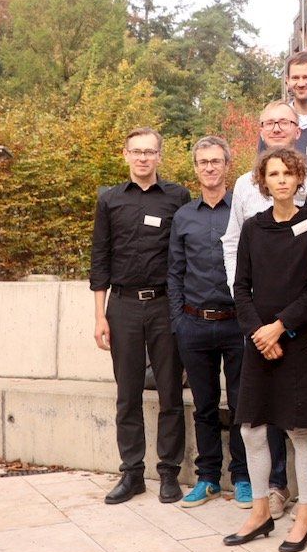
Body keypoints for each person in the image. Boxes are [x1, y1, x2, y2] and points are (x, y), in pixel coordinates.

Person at [223, 100, 307, 519]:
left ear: (299, 177)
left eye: (287, 173)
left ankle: (304, 512)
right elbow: (241, 287)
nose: (281, 180)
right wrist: (259, 333)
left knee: (299, 431)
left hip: (296, 342)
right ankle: (261, 510)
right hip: (258, 343)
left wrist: (279, 328)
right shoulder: (253, 227)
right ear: (262, 182)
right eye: (273, 174)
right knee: (251, 429)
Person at [90, 127, 190, 505]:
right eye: (137, 151)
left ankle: (169, 472)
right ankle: (132, 473)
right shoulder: (110, 199)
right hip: (123, 306)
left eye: (150, 151)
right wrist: (99, 316)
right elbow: (100, 259)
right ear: (126, 155)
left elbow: (185, 254)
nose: (143, 158)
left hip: (165, 305)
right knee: (127, 394)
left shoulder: (178, 197)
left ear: (160, 156)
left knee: (170, 392)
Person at [168, 136, 249, 508]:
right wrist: (178, 322)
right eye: (204, 162)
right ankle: (208, 478)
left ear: (227, 165)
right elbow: (175, 272)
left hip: (237, 324)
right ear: (196, 168)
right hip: (194, 325)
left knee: (242, 405)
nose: (210, 167)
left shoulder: (242, 211)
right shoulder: (184, 216)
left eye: (216, 161)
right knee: (203, 406)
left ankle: (243, 477)